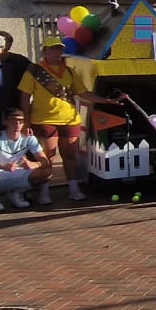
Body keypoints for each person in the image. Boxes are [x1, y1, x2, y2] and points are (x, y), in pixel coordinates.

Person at [20, 40, 99, 203]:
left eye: (58, 50)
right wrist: (25, 122)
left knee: (70, 156)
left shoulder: (69, 72)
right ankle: (43, 192)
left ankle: (73, 189)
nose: (56, 53)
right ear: (45, 52)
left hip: (69, 119)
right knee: (47, 157)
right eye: (52, 50)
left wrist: (106, 100)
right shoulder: (34, 71)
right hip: (43, 119)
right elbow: (24, 97)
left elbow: (83, 93)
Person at [0, 108, 52, 210]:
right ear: (5, 121)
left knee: (46, 173)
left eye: (21, 121)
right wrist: (0, 166)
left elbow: (45, 161)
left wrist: (34, 164)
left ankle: (16, 193)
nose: (17, 124)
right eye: (14, 121)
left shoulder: (29, 138)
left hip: (18, 173)